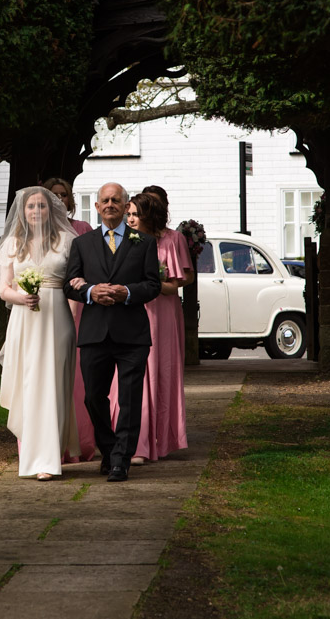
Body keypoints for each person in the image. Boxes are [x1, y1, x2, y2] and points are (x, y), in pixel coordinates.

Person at [62, 182, 162, 482]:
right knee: (93, 397)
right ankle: (109, 448)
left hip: (132, 335)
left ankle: (121, 460)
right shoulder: (82, 244)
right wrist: (91, 291)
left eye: (115, 200)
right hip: (94, 333)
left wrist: (126, 292)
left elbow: (153, 285)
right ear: (96, 207)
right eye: (104, 200)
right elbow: (70, 283)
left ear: (124, 204)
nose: (110, 205)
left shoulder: (142, 242)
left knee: (130, 399)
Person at [0, 186, 80, 481]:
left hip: (58, 318)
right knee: (29, 383)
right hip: (24, 319)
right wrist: (21, 298)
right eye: (30, 206)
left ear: (51, 210)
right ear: (23, 211)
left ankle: (50, 458)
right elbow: (4, 287)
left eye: (41, 206)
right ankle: (31, 457)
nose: (35, 211)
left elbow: (77, 279)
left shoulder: (69, 241)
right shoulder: (11, 243)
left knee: (55, 384)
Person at [115, 190, 193, 464]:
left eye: (136, 214)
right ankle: (134, 441)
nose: (131, 220)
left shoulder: (171, 241)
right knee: (130, 376)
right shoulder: (126, 240)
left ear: (149, 215)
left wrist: (151, 283)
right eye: (130, 215)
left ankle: (157, 440)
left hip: (159, 314)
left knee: (158, 373)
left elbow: (177, 283)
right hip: (131, 311)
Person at [42, 176, 98, 463]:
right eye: (54, 195)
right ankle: (50, 446)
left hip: (82, 310)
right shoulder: (36, 233)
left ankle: (83, 443)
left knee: (79, 380)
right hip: (47, 312)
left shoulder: (83, 230)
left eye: (64, 195)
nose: (59, 200)